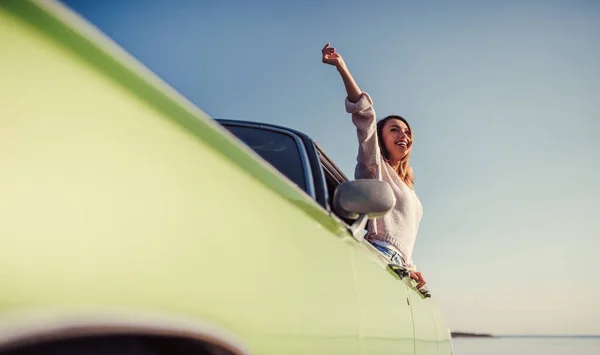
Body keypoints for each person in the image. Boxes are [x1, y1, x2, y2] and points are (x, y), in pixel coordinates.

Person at [321, 43, 426, 289]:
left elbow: (403, 235)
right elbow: (366, 115)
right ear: (380, 139)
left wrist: (411, 266)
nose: (404, 135)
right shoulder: (374, 166)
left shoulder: (408, 186)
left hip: (399, 266)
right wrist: (341, 66)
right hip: (380, 256)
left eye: (407, 132)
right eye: (394, 130)